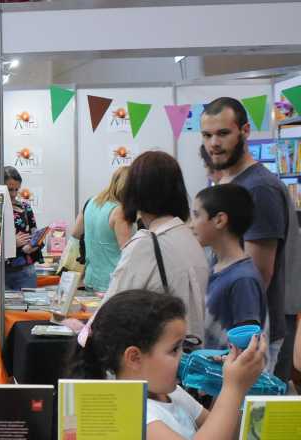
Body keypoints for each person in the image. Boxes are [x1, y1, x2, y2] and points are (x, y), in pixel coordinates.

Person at [69, 290, 266, 440]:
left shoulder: (170, 393)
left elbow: (223, 430)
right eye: (174, 350)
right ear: (134, 358)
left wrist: (228, 385)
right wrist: (234, 388)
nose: (183, 356)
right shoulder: (133, 414)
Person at [201, 96, 301, 380]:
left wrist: (238, 339)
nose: (214, 143)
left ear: (244, 131)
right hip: (237, 330)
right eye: (207, 135)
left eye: (223, 133)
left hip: (255, 334)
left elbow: (258, 274)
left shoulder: (259, 189)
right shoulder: (228, 182)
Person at [78, 152, 208, 344]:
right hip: (188, 352)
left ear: (134, 192)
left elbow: (110, 312)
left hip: (151, 356)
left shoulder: (145, 243)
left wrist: (82, 333)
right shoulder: (189, 237)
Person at [190, 184, 266, 352]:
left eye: (196, 215)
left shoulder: (243, 280)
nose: (191, 224)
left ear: (219, 220)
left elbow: (248, 349)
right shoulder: (214, 265)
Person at [70, 166, 133, 292]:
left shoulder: (91, 202)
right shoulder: (119, 211)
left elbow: (76, 233)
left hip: (91, 279)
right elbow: (129, 252)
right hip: (114, 283)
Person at [0, 166, 41, 291]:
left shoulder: (25, 208)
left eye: (17, 189)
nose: (14, 194)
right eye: (10, 190)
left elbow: (35, 235)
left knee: (27, 310)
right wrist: (11, 243)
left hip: (25, 271)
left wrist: (34, 245)